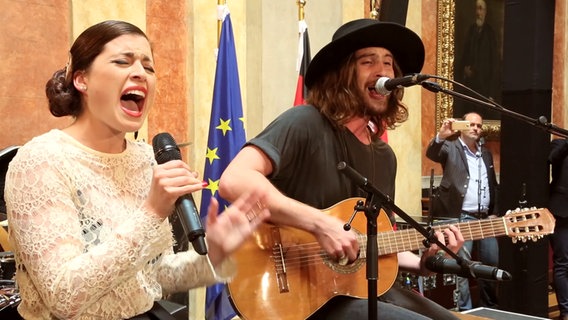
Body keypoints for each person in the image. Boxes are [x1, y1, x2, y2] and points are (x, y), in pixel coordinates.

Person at [3, 20, 270, 320]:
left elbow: (154, 275)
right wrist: (152, 211)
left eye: (149, 67)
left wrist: (216, 254)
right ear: (81, 79)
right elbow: (65, 296)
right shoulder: (41, 160)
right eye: (122, 61)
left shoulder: (146, 158)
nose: (141, 73)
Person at [219, 19, 464, 320]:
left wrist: (423, 261)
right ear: (342, 74)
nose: (384, 72)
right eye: (368, 61)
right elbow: (234, 180)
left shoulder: (385, 157)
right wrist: (321, 225)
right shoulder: (304, 123)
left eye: (388, 63)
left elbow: (372, 244)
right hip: (301, 295)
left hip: (356, 290)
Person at [425, 112, 499, 311]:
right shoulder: (451, 147)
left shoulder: (485, 152)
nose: (475, 128)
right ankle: (466, 311)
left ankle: (489, 309)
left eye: (479, 126)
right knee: (462, 267)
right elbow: (432, 153)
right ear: (462, 126)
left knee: (491, 264)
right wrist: (441, 136)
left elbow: (493, 184)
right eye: (471, 124)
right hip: (462, 217)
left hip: (485, 219)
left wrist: (495, 211)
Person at [454, 0, 500, 119]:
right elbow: (463, 57)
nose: (478, 12)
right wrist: (464, 71)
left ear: (485, 12)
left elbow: (495, 65)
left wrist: (492, 94)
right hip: (470, 88)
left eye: (481, 9)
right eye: (476, 9)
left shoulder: (490, 34)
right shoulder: (471, 31)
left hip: (484, 89)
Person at [548, 138, 568, 320]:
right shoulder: (560, 144)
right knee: (563, 263)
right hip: (562, 214)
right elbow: (551, 158)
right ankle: (566, 311)